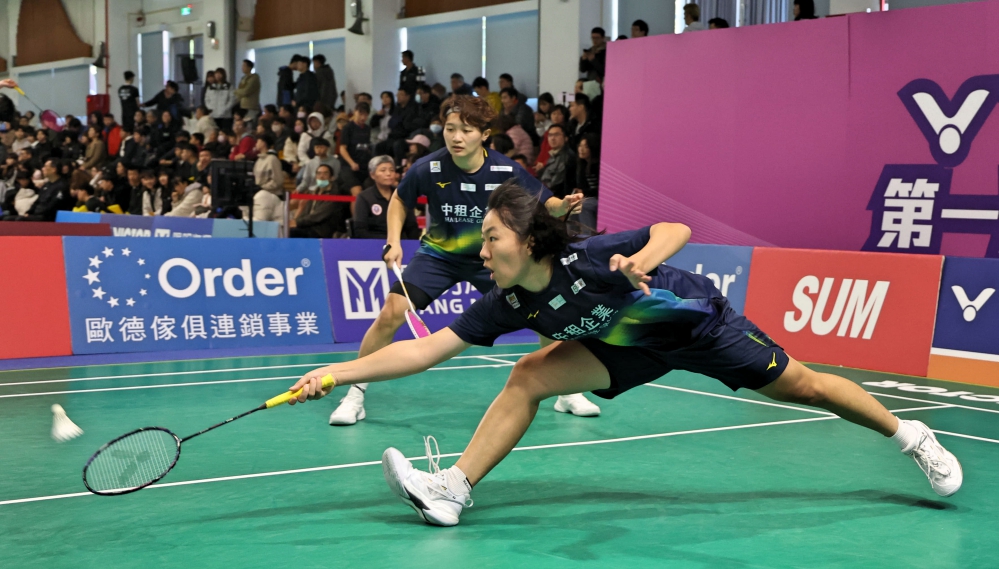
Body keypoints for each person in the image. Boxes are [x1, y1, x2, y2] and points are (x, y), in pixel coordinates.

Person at [287, 181, 965, 527]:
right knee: (528, 375)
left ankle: (911, 436)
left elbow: (675, 227)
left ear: (527, 241)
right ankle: (452, 490)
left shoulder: (586, 257)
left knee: (808, 388)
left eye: (491, 238)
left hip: (693, 324)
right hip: (624, 347)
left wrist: (642, 259)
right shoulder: (507, 301)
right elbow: (425, 350)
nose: (481, 250)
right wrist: (336, 372)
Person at [325, 94, 593, 427]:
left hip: (490, 258)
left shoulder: (505, 169)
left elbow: (546, 202)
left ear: (484, 134)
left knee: (545, 308)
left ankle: (566, 391)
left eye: (466, 130)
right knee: (392, 311)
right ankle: (354, 394)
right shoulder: (429, 167)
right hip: (439, 255)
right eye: (450, 129)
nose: (456, 137)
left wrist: (564, 205)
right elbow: (400, 200)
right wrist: (393, 240)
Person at [353, 155, 420, 239]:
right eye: (383, 170)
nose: (388, 174)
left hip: (400, 243)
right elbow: (360, 230)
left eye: (392, 170)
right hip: (373, 243)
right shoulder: (364, 197)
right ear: (372, 175)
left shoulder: (402, 195)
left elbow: (412, 227)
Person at [289, 163, 342, 238]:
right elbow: (306, 212)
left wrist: (298, 222)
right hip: (309, 226)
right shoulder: (314, 191)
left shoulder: (334, 193)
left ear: (331, 177)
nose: (321, 176)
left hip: (321, 230)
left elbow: (318, 216)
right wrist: (296, 221)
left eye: (325, 174)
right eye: (319, 173)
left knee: (292, 232)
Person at [252, 132, 285, 224]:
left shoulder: (272, 159)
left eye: (258, 141)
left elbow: (278, 180)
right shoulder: (258, 160)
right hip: (259, 194)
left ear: (263, 143)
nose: (256, 144)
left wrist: (262, 187)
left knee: (259, 220)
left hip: (271, 195)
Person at [536, 124, 576, 198]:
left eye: (556, 135)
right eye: (550, 135)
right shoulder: (553, 154)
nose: (552, 138)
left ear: (566, 138)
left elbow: (555, 185)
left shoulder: (567, 157)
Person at [338, 102, 372, 189]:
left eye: (365, 115)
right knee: (356, 189)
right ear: (355, 112)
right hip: (349, 166)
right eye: (360, 114)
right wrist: (352, 163)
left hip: (363, 165)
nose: (363, 117)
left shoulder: (367, 129)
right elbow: (342, 148)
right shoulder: (347, 128)